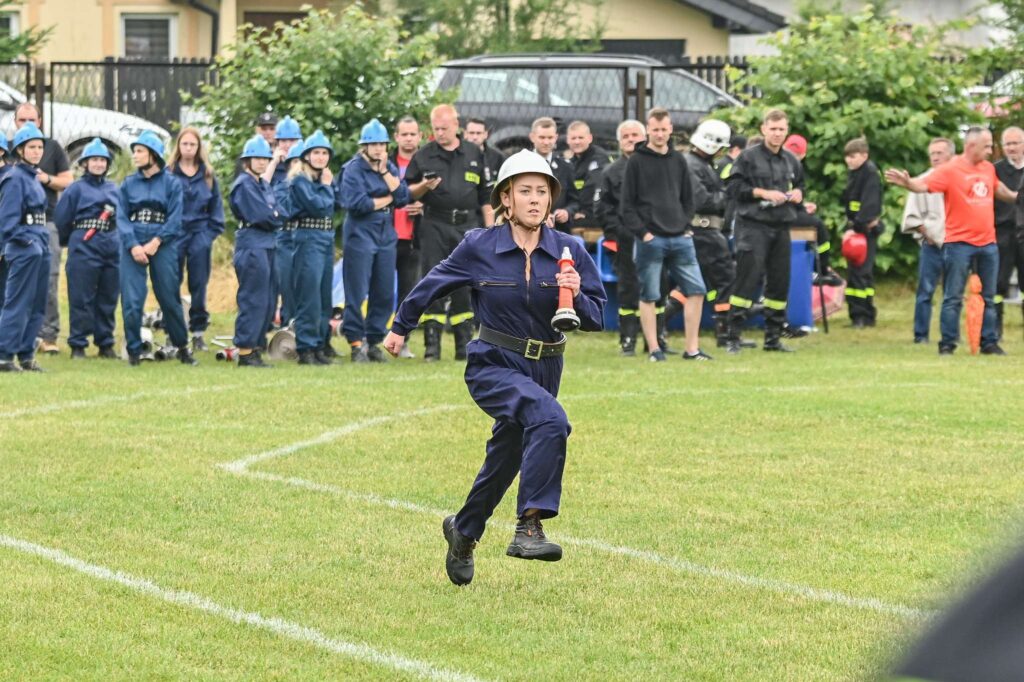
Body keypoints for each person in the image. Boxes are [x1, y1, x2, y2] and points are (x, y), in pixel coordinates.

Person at [382, 150, 606, 586]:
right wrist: (400, 327)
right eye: (525, 191)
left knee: (506, 459)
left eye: (542, 192)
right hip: (492, 363)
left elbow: (597, 316)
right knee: (551, 420)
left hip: (546, 365)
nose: (535, 199)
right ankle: (529, 526)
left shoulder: (570, 249)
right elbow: (432, 284)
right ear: (506, 198)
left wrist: (576, 294)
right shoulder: (479, 246)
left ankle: (463, 531)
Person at [886, 126, 1019, 355]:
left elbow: (1001, 191)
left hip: (988, 243)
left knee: (989, 295)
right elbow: (923, 186)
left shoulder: (988, 168)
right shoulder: (950, 170)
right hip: (959, 244)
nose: (990, 151)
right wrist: (908, 183)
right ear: (971, 146)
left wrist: (1019, 196)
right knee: (953, 296)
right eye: (986, 146)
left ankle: (988, 341)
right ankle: (948, 343)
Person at [405, 104, 494, 361]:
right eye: (436, 129)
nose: (440, 133)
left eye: (444, 128)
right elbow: (408, 192)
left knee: (465, 283)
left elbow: (485, 195)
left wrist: (489, 229)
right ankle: (432, 345)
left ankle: (463, 344)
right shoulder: (424, 156)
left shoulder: (474, 153)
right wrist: (424, 186)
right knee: (434, 281)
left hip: (467, 226)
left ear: (457, 126)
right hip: (434, 224)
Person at [621, 108, 708, 362]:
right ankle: (654, 349)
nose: (660, 134)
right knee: (649, 294)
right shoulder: (636, 161)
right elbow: (627, 206)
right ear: (648, 130)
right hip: (651, 240)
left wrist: (686, 226)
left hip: (681, 237)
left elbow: (688, 199)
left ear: (671, 130)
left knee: (697, 290)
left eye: (664, 129)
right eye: (655, 129)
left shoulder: (679, 160)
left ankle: (692, 349)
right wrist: (644, 233)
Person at [725, 109, 806, 353]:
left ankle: (773, 338)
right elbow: (734, 188)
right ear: (763, 129)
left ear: (786, 131)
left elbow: (800, 184)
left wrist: (798, 194)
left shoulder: (791, 160)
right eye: (773, 129)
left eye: (781, 129)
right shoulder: (748, 158)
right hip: (753, 226)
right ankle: (733, 337)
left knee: (779, 283)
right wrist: (763, 193)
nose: (777, 133)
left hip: (781, 225)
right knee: (747, 280)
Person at [117, 131, 197, 366]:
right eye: (135, 151)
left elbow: (175, 218)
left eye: (140, 151)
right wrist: (133, 245)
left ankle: (182, 347)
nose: (135, 155)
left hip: (163, 242)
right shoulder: (129, 183)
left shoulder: (172, 183)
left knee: (169, 297)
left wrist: (156, 242)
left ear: (153, 154)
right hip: (133, 240)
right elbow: (121, 216)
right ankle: (133, 351)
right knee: (131, 300)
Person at [339, 119, 410, 362]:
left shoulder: (387, 167)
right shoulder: (352, 169)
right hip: (360, 231)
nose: (378, 149)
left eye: (382, 144)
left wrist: (385, 176)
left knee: (383, 291)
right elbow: (357, 204)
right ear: (364, 147)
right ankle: (356, 342)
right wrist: (388, 199)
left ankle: (373, 341)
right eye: (373, 144)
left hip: (385, 232)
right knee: (357, 290)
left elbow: (403, 197)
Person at [12, 103, 72, 355]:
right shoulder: (8, 148)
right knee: (13, 283)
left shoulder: (52, 148)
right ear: (15, 122)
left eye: (31, 119)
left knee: (48, 280)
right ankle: (18, 336)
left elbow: (68, 180)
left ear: (40, 121)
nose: (26, 123)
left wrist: (45, 178)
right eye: (21, 119)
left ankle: (48, 336)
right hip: (14, 223)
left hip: (46, 221)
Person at [53, 138, 120, 360]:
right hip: (84, 246)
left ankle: (105, 343)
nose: (99, 164)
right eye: (94, 160)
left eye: (102, 160)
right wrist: (72, 242)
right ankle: (78, 344)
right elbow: (62, 219)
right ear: (84, 163)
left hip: (111, 245)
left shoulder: (115, 189)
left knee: (108, 296)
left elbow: (122, 218)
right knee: (81, 296)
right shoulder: (75, 189)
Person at [167, 127, 225, 352]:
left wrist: (208, 236)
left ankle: (198, 331)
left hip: (200, 233)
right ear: (178, 147)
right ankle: (174, 330)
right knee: (171, 282)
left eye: (193, 144)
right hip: (175, 234)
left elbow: (216, 210)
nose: (189, 148)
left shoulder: (208, 175)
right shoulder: (169, 173)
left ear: (199, 147)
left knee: (198, 284)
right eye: (185, 144)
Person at [0, 122, 51, 372]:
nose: (36, 151)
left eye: (40, 146)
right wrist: (28, 242)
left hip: (40, 241)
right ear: (20, 150)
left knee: (38, 302)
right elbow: (7, 223)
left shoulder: (33, 177)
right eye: (31, 147)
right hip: (25, 246)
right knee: (18, 301)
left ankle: (26, 353)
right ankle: (5, 354)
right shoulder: (14, 178)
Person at [683, 119, 738, 348]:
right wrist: (727, 195)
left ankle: (662, 325)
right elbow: (702, 200)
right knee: (725, 279)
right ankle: (724, 334)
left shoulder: (701, 164)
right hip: (704, 232)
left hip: (705, 232)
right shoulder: (693, 165)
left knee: (698, 282)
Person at [230, 136, 282, 368]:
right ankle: (245, 350)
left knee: (268, 300)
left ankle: (256, 346)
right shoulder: (244, 185)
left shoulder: (262, 183)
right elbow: (263, 215)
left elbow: (279, 211)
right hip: (252, 245)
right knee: (253, 298)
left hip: (268, 243)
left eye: (265, 159)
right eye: (257, 158)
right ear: (247, 161)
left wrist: (274, 214)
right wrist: (274, 215)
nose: (262, 162)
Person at [598, 119, 647, 356]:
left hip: (653, 238)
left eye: (635, 135)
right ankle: (628, 339)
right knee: (628, 288)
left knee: (656, 287)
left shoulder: (656, 168)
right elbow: (604, 208)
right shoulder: (611, 172)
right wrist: (618, 233)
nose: (631, 139)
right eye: (626, 136)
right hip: (625, 239)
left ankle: (656, 339)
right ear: (619, 142)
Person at [288, 129, 337, 366]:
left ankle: (319, 345)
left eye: (324, 153)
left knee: (324, 296)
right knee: (309, 296)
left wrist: (326, 188)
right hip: (308, 236)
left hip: (326, 236)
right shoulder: (300, 181)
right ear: (306, 155)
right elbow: (319, 206)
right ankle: (305, 347)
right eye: (316, 152)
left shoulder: (320, 180)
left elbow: (332, 205)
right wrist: (327, 188)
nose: (320, 157)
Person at [900, 138, 953, 344]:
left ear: (950, 155)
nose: (936, 157)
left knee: (952, 294)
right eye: (932, 153)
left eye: (940, 153)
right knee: (925, 291)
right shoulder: (921, 181)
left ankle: (950, 335)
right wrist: (927, 232)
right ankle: (921, 335)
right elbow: (912, 217)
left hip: (956, 244)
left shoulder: (960, 179)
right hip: (931, 246)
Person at [783, 134, 842, 287]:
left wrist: (803, 206)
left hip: (788, 212)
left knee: (812, 223)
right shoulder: (790, 166)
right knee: (819, 228)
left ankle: (816, 268)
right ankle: (821, 270)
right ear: (804, 154)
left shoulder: (783, 163)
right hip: (781, 216)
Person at [389, 115, 423, 358]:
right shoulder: (385, 162)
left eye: (413, 134)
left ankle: (403, 341)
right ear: (396, 137)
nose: (409, 138)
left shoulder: (427, 163)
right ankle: (371, 339)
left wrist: (423, 206)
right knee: (379, 290)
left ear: (420, 136)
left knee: (408, 293)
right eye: (404, 134)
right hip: (386, 236)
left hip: (415, 237)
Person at [840, 137, 884, 328]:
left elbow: (869, 205)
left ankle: (863, 315)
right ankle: (859, 313)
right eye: (847, 157)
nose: (849, 160)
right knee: (856, 274)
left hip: (864, 230)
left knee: (861, 274)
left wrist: (856, 226)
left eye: (853, 156)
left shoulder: (870, 174)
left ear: (864, 155)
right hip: (857, 228)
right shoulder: (857, 172)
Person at [266, 115, 304, 330]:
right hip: (280, 233)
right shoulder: (268, 165)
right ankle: (286, 323)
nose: (287, 145)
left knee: (304, 283)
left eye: (292, 141)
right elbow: (260, 189)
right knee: (284, 283)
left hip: (302, 231)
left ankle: (303, 326)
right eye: (283, 141)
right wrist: (273, 163)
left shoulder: (307, 165)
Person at [994, 126, 1024, 338]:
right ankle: (995, 329)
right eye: (1008, 144)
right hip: (1002, 232)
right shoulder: (995, 170)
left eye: (1016, 143)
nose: (1012, 148)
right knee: (998, 282)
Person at [529, 117, 578, 234]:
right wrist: (538, 217)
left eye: (550, 138)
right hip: (529, 232)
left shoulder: (566, 167)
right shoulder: (521, 164)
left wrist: (567, 212)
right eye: (542, 137)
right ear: (532, 137)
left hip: (559, 231)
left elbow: (575, 200)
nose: (546, 142)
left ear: (556, 137)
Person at [567, 120, 613, 229]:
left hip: (597, 214)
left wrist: (585, 212)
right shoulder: (571, 161)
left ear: (590, 138)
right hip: (578, 211)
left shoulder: (599, 158)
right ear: (568, 140)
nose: (577, 142)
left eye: (581, 138)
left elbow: (595, 188)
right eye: (573, 138)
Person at [463, 117, 506, 190]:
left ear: (485, 134)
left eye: (478, 133)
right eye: (471, 133)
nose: (475, 137)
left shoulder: (497, 157)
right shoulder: (456, 155)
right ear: (465, 134)